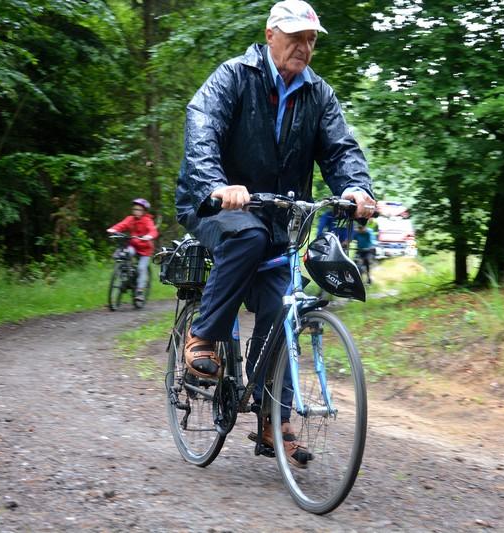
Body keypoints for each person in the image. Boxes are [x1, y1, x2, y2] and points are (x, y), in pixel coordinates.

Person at [175, 0, 375, 467]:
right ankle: (203, 336)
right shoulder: (233, 76)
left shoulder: (318, 94)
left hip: (277, 216)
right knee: (246, 237)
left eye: (311, 40)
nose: (304, 47)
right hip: (214, 203)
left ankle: (273, 420)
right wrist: (216, 185)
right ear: (270, 35)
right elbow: (202, 126)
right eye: (295, 37)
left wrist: (356, 188)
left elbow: (340, 149)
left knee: (283, 301)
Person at [107, 199, 159, 302]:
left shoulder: (147, 220)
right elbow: (122, 225)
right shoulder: (130, 219)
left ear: (144, 211)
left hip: (145, 249)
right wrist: (113, 230)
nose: (136, 211)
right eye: (135, 209)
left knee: (141, 268)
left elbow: (153, 231)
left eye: (139, 210)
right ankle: (125, 273)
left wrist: (149, 236)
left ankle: (140, 291)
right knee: (125, 253)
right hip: (134, 245)